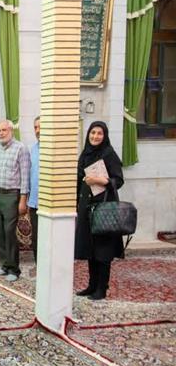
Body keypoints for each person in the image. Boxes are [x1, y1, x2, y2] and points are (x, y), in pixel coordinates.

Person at [74, 121, 125, 300]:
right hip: (87, 208)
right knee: (90, 249)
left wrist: (98, 180)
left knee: (103, 251)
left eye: (99, 133)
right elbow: (79, 179)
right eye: (93, 132)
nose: (95, 136)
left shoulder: (108, 153)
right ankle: (92, 285)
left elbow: (118, 180)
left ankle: (102, 288)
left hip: (103, 209)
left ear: (105, 136)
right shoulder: (85, 153)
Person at [0, 120, 31, 281]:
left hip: (12, 195)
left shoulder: (21, 148)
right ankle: (5, 265)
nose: (1, 133)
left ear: (11, 131)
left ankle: (14, 269)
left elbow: (25, 176)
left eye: (4, 130)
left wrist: (23, 199)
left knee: (9, 232)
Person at [28, 116, 41, 261]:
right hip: (34, 202)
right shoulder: (33, 149)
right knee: (36, 238)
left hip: (50, 204)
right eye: (35, 127)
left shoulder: (54, 149)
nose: (38, 130)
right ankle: (39, 267)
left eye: (41, 127)